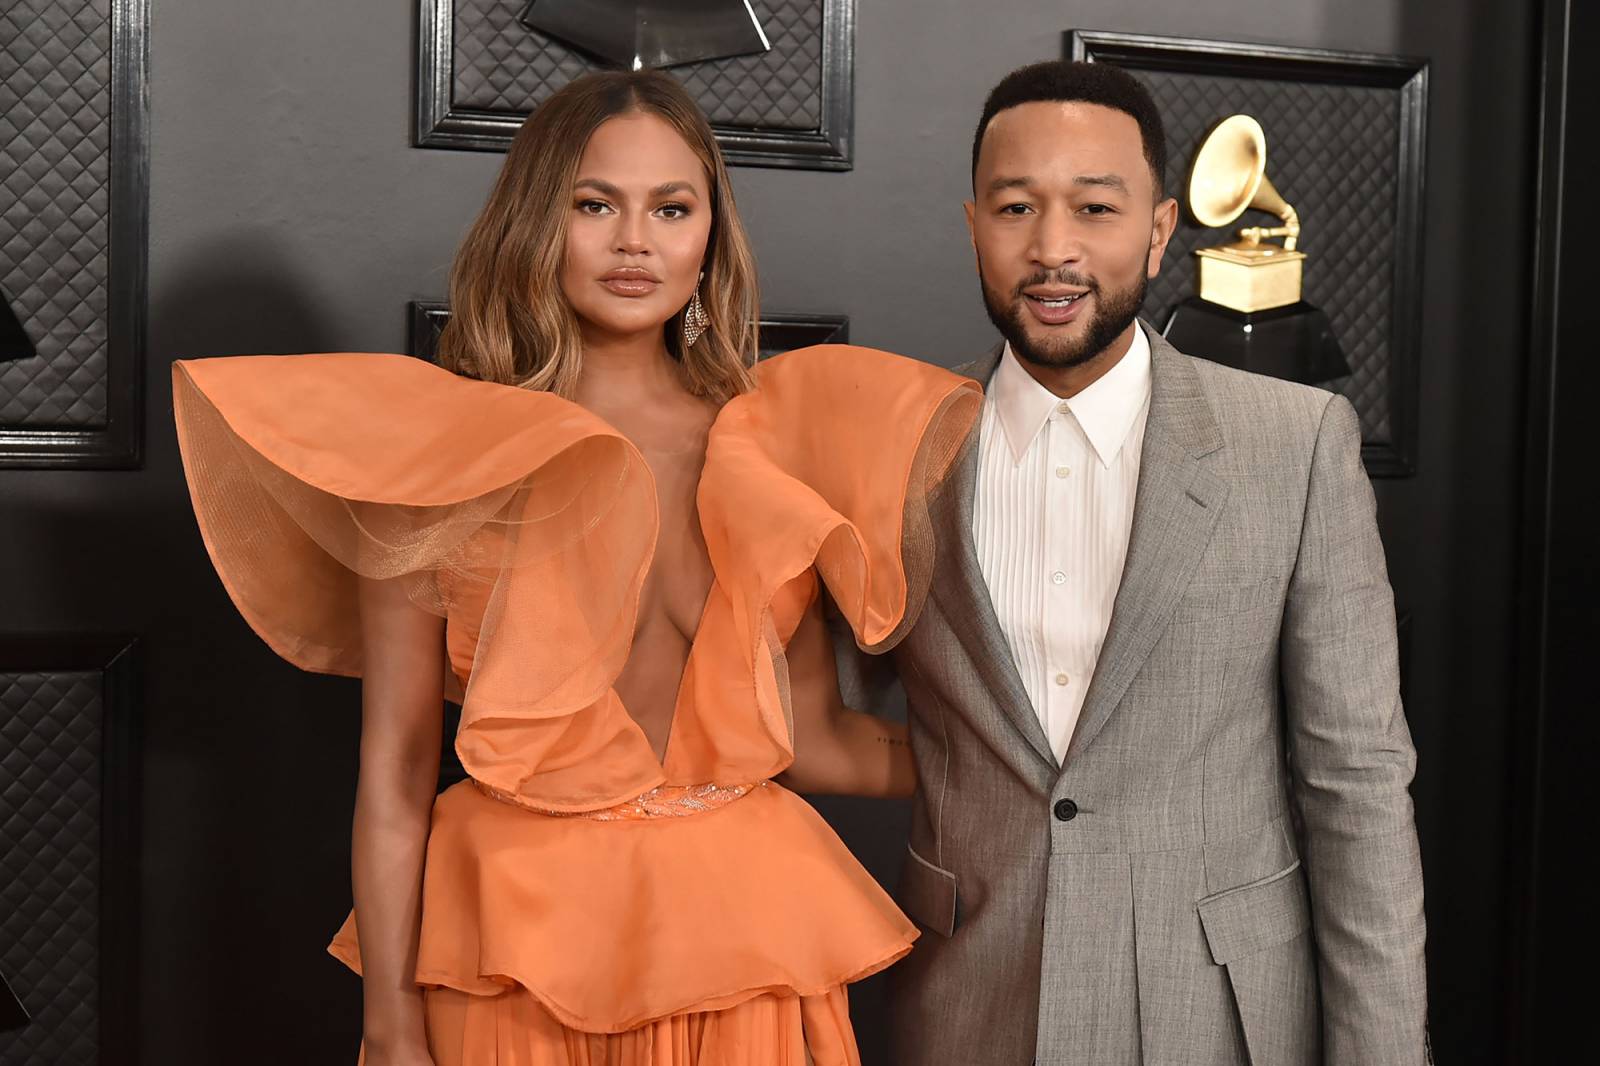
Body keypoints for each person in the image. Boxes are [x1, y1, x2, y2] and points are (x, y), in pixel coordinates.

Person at [171, 70, 980, 1065]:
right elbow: (392, 773)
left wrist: (1025, 773)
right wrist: (388, 1025)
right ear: (534, 222)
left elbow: (815, 744)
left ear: (708, 238)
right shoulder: (438, 462)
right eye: (594, 204)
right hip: (518, 953)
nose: (634, 241)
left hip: (747, 944)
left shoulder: (773, 450)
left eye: (671, 209)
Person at [878, 60, 1430, 1064]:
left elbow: (1354, 780)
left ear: (1159, 228)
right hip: (962, 1003)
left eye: (1094, 206)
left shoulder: (1294, 442)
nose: (1052, 249)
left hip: (1216, 1010)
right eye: (1015, 207)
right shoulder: (891, 451)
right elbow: (787, 711)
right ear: (972, 225)